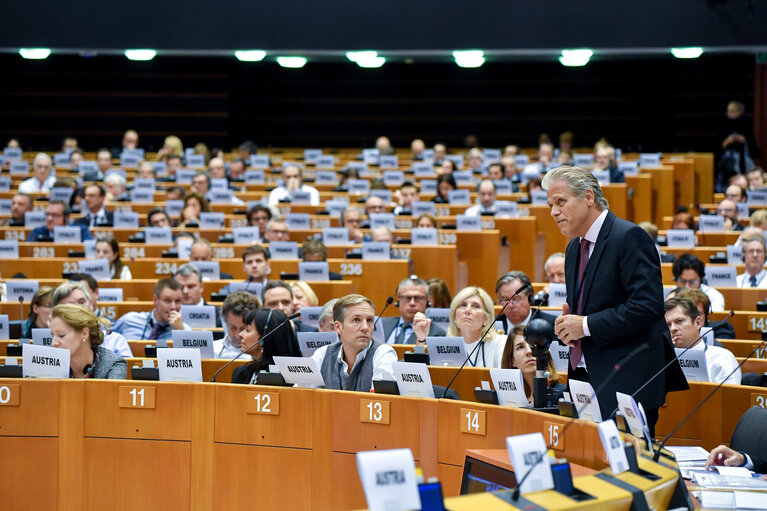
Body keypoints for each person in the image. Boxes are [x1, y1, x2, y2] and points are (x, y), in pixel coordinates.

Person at [542, 165, 687, 432]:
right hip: (586, 377)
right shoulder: (574, 246)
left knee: (629, 471)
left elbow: (646, 307)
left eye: (560, 202)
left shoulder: (629, 237)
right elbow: (587, 311)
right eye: (551, 204)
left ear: (588, 197)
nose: (553, 211)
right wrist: (569, 327)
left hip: (628, 381)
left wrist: (584, 325)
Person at [311, 294, 397, 391]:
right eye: (356, 320)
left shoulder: (383, 354)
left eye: (369, 320)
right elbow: (300, 394)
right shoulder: (322, 354)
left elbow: (380, 401)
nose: (365, 327)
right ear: (338, 327)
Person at [664, 297, 740, 384]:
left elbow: (728, 396)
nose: (673, 328)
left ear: (698, 323)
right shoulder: (663, 359)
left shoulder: (722, 358)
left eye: (679, 321)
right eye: (668, 324)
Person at [52, 280, 132, 357]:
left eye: (82, 302)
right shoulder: (54, 343)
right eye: (71, 305)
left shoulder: (115, 341)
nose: (79, 307)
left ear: (91, 304)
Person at [50, 304, 127, 379]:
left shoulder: (113, 365)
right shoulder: (50, 364)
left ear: (84, 333)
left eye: (61, 335)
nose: (54, 343)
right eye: (52, 335)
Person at [231, 308, 303, 384]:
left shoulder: (292, 379)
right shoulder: (240, 374)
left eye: (248, 330)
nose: (240, 334)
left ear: (265, 337)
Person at [502, 325, 566, 406]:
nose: (529, 351)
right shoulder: (510, 397)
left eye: (533, 345)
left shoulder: (561, 394)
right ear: (512, 361)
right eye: (520, 347)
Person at [446, 287, 505, 368]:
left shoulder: (500, 343)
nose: (467, 310)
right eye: (463, 305)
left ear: (486, 318)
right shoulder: (445, 345)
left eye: (476, 306)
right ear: (454, 316)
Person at [112, 278, 190, 341]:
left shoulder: (185, 330)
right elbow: (108, 341)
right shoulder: (129, 320)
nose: (173, 307)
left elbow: (191, 358)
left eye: (178, 301)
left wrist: (180, 333)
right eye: (167, 301)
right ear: (155, 300)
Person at [382, 277, 446, 345]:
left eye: (418, 298)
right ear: (398, 301)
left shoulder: (437, 334)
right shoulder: (382, 324)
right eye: (407, 298)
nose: (412, 303)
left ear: (427, 303)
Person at [716, 101, 761, 192]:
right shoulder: (722, 126)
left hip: (743, 167)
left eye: (734, 111)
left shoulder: (746, 127)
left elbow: (756, 152)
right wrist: (726, 142)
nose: (732, 114)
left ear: (740, 112)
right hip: (726, 169)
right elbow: (716, 150)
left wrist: (745, 141)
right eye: (730, 111)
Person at [213, 291, 260, 359]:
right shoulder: (213, 350)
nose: (237, 335)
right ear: (225, 322)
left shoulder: (262, 355)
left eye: (244, 329)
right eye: (233, 328)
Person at [27, 200, 93, 242]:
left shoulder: (81, 231)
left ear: (66, 217)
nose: (49, 219)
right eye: (47, 214)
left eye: (55, 215)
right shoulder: (36, 233)